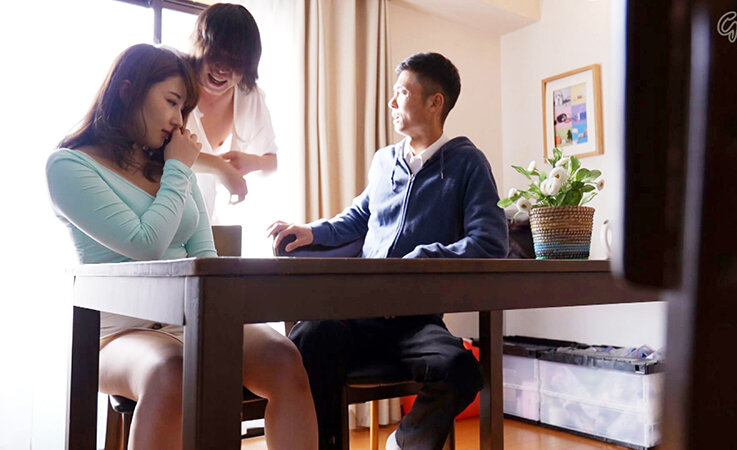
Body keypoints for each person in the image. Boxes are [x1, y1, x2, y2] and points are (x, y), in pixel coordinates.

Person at [46, 44, 316, 450]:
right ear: (128, 91)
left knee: (284, 357)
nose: (178, 120)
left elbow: (205, 258)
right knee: (171, 371)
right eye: (172, 102)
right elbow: (145, 244)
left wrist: (176, 169)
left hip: (190, 321)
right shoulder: (69, 165)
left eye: (184, 109)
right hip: (117, 335)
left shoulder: (174, 170)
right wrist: (177, 167)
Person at [268, 52, 509, 450]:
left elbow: (490, 242)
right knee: (309, 338)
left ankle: (404, 443)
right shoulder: (384, 161)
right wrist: (311, 231)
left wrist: (420, 260)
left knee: (462, 370)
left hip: (416, 319)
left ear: (435, 102)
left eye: (402, 93)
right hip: (358, 312)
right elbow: (359, 217)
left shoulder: (468, 163)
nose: (392, 102)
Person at [185, 3, 279, 220]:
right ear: (199, 46)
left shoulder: (249, 96)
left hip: (204, 218)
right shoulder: (172, 76)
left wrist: (253, 162)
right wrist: (220, 167)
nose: (222, 69)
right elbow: (157, 152)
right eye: (216, 56)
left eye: (234, 62)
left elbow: (273, 162)